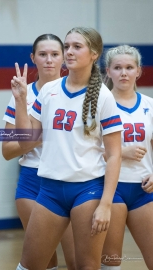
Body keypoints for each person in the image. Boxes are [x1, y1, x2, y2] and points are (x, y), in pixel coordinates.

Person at [12, 27, 123, 270]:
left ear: (94, 54)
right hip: (49, 190)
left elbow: (114, 154)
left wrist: (105, 204)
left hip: (88, 191)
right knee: (28, 265)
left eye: (77, 47)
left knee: (85, 265)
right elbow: (26, 142)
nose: (69, 52)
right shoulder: (49, 90)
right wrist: (21, 100)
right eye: (67, 46)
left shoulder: (104, 97)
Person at [2, 34, 75, 270]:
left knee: (78, 261)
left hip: (69, 180)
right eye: (42, 54)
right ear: (33, 58)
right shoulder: (20, 95)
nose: (49, 60)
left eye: (55, 54)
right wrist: (40, 137)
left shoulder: (78, 93)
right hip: (31, 181)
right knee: (42, 261)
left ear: (64, 57)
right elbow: (7, 150)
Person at [101, 45, 153, 270]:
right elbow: (86, 150)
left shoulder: (150, 105)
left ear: (138, 71)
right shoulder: (100, 105)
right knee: (112, 261)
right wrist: (123, 152)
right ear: (108, 71)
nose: (124, 73)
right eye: (118, 67)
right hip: (112, 189)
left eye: (129, 67)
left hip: (143, 189)